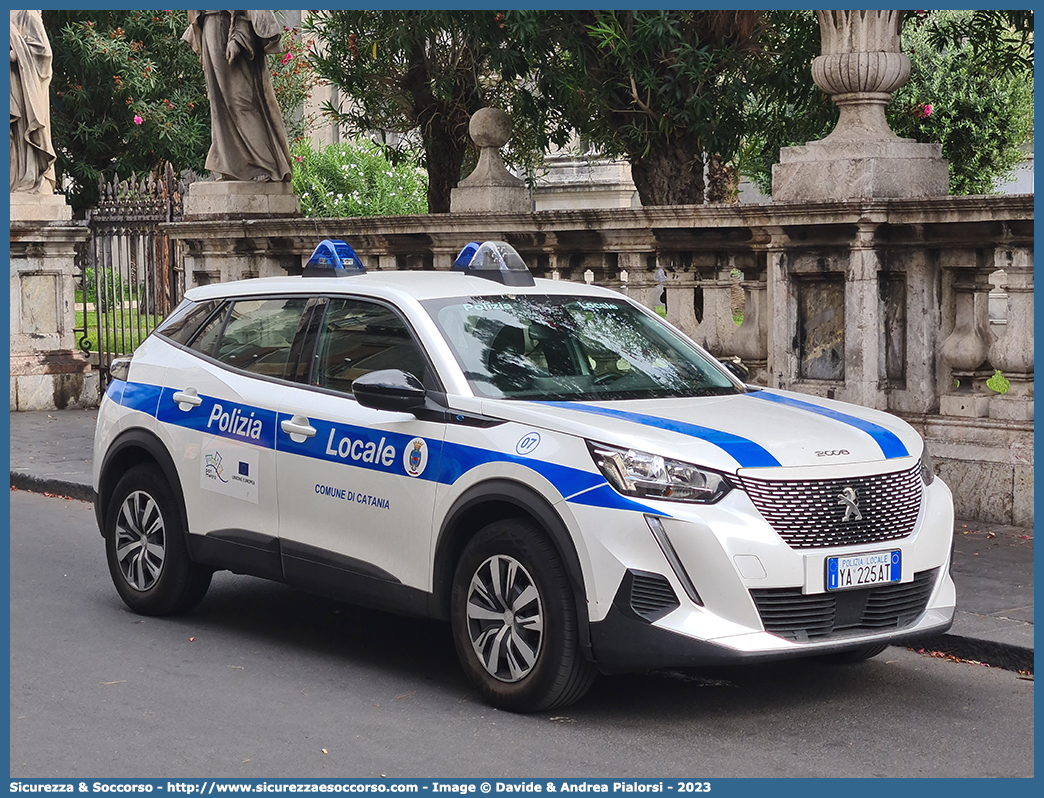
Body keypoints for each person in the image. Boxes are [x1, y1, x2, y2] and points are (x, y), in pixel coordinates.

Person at [182, 10, 292, 182]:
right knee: (220, 106)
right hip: (209, 28)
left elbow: (244, 10)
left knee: (242, 101)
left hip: (228, 29)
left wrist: (238, 37)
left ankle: (267, 164)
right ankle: (231, 167)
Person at [10, 9, 57, 194]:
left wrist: (14, 55)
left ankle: (27, 179)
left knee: (20, 135)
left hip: (21, 86)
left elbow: (44, 52)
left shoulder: (25, 12)